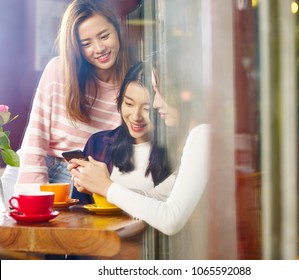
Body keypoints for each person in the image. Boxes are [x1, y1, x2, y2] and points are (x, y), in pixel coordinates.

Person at [1, 0, 130, 196]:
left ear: (118, 30)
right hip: (31, 168)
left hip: (82, 179)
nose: (99, 48)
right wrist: (35, 196)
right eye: (86, 43)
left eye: (104, 36)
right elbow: (36, 139)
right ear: (76, 47)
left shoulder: (133, 86)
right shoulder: (58, 70)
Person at [68, 59, 210, 236]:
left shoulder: (201, 135)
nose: (156, 104)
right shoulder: (194, 137)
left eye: (160, 92)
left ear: (184, 93)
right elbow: (154, 197)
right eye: (128, 103)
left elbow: (170, 219)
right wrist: (98, 185)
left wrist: (107, 187)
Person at [71, 62, 171, 204]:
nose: (136, 116)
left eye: (147, 109)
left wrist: (103, 187)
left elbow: (163, 209)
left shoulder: (172, 152)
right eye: (129, 104)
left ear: (160, 106)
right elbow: (81, 208)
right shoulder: (99, 143)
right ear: (120, 101)